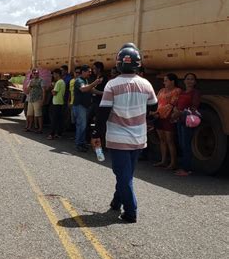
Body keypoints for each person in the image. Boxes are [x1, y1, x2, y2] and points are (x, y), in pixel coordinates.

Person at [92, 45, 157, 223]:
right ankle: (116, 201)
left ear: (119, 64)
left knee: (123, 175)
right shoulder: (146, 84)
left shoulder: (112, 84)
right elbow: (154, 107)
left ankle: (131, 211)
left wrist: (96, 133)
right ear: (138, 64)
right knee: (126, 174)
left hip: (118, 138)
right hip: (138, 138)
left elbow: (103, 112)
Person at [150, 73, 182, 170]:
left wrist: (156, 112)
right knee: (162, 140)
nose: (164, 82)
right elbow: (157, 102)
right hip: (159, 116)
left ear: (172, 81)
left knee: (170, 140)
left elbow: (172, 104)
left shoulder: (177, 91)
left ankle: (173, 162)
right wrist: (155, 112)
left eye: (166, 80)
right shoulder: (161, 90)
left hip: (169, 117)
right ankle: (163, 160)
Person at [172, 73, 201, 176]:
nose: (189, 81)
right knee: (181, 143)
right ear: (184, 81)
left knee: (186, 144)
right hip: (180, 120)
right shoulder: (182, 92)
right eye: (187, 79)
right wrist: (175, 110)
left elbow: (194, 106)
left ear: (195, 82)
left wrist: (181, 112)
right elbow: (176, 104)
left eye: (192, 79)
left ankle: (186, 169)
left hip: (187, 120)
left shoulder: (195, 93)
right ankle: (184, 167)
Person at [73, 65, 102, 151]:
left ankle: (81, 143)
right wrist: (95, 83)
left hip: (84, 106)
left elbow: (91, 90)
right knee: (81, 125)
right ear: (83, 72)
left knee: (83, 125)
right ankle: (79, 144)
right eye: (88, 71)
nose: (90, 73)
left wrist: (103, 93)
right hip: (80, 106)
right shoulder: (79, 80)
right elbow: (83, 89)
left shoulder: (85, 80)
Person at [24, 69, 45, 133]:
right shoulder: (31, 81)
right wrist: (29, 87)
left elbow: (44, 90)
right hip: (31, 99)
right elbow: (27, 91)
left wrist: (43, 100)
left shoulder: (41, 80)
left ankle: (40, 129)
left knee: (38, 115)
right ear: (32, 74)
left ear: (38, 74)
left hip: (37, 99)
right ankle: (29, 127)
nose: (35, 74)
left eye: (37, 73)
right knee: (29, 114)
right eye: (34, 73)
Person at [47, 69, 65, 140]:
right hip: (60, 102)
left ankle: (52, 134)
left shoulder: (58, 82)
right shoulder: (62, 81)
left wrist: (52, 88)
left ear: (57, 74)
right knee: (59, 119)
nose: (53, 76)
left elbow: (54, 92)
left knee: (54, 119)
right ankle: (59, 133)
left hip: (56, 102)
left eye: (54, 74)